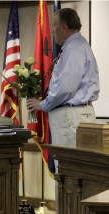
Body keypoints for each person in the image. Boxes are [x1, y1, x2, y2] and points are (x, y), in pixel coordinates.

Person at [27, 8, 100, 147]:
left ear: (64, 27)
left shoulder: (73, 49)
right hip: (76, 114)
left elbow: (65, 89)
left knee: (69, 164)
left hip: (71, 116)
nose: (53, 31)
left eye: (54, 25)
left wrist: (41, 104)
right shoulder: (79, 45)